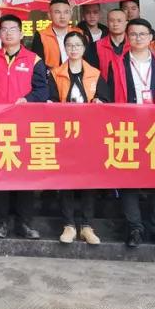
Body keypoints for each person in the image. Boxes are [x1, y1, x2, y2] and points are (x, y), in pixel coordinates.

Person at [105, 18, 155, 249]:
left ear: (151, 37)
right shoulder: (117, 64)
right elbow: (109, 95)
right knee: (129, 178)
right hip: (128, 127)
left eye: (142, 34)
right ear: (127, 37)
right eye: (133, 34)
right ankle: (134, 227)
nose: (138, 38)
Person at [0, 14, 48, 240]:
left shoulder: (34, 59)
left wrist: (27, 100)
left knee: (24, 175)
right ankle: (0, 222)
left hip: (24, 126)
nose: (8, 33)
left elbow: (43, 90)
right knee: (0, 174)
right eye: (4, 29)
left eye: (13, 29)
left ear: (21, 33)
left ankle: (24, 223)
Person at [47, 31, 107, 246]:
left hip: (89, 135)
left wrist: (100, 101)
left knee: (89, 180)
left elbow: (105, 99)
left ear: (84, 48)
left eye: (77, 45)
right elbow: (51, 99)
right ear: (65, 48)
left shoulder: (95, 74)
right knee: (67, 180)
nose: (73, 49)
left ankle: (87, 226)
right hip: (65, 134)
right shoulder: (55, 74)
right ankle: (69, 225)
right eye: (69, 45)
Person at [30, 0, 82, 69]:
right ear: (49, 15)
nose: (62, 16)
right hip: (51, 76)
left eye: (66, 12)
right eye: (57, 12)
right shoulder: (41, 36)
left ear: (70, 14)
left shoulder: (79, 34)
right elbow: (37, 66)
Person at [85, 8, 128, 82]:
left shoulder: (134, 46)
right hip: (105, 88)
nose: (115, 24)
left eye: (119, 21)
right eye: (112, 20)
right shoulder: (95, 47)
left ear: (126, 23)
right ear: (107, 23)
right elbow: (91, 75)